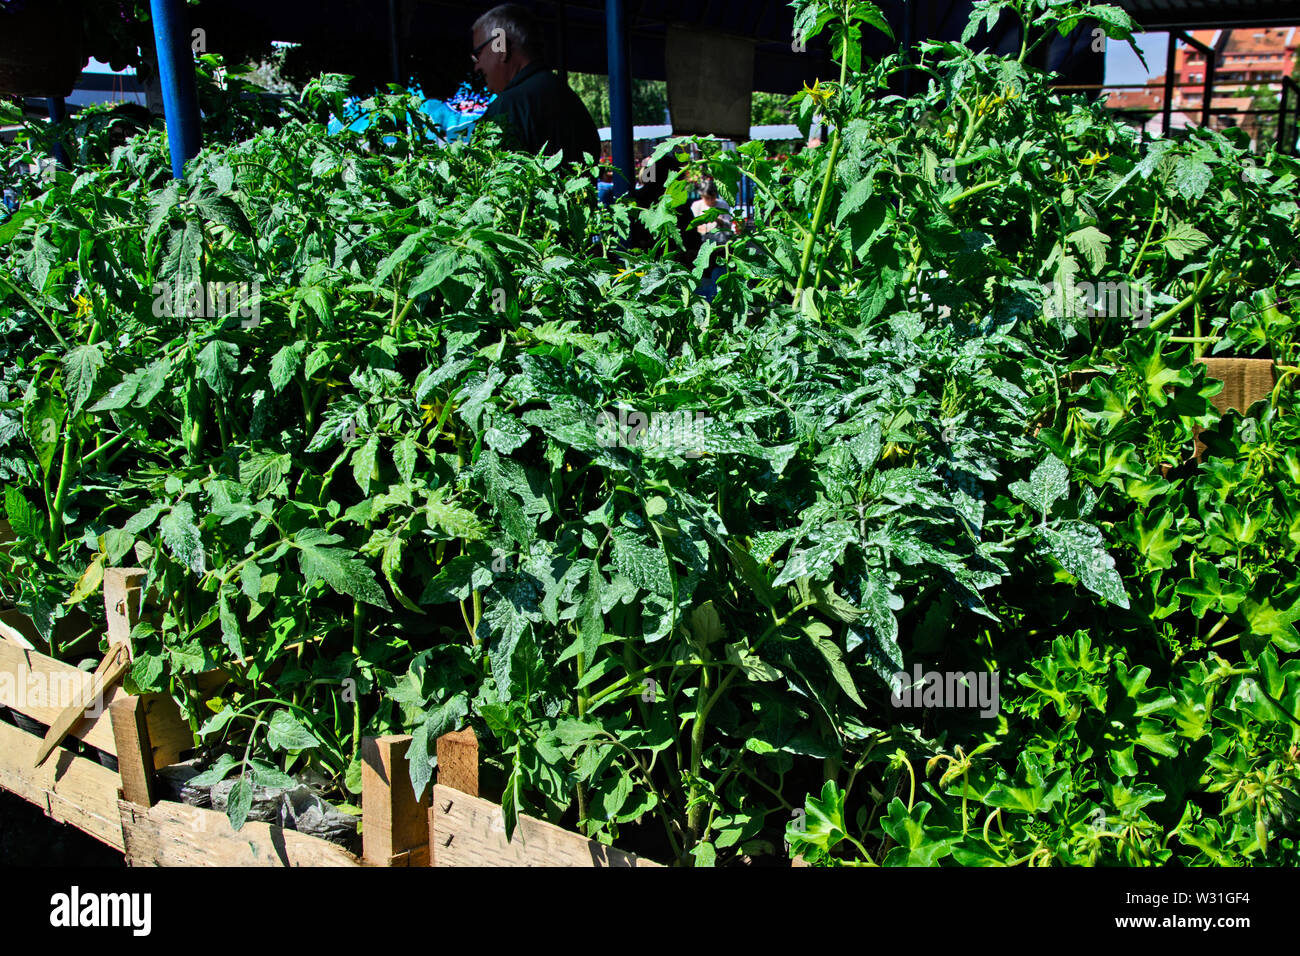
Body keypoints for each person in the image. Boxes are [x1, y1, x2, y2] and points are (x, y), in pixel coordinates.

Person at [471, 4, 600, 167]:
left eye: (479, 54)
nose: (477, 66)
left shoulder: (505, 109)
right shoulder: (572, 101)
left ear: (501, 46)